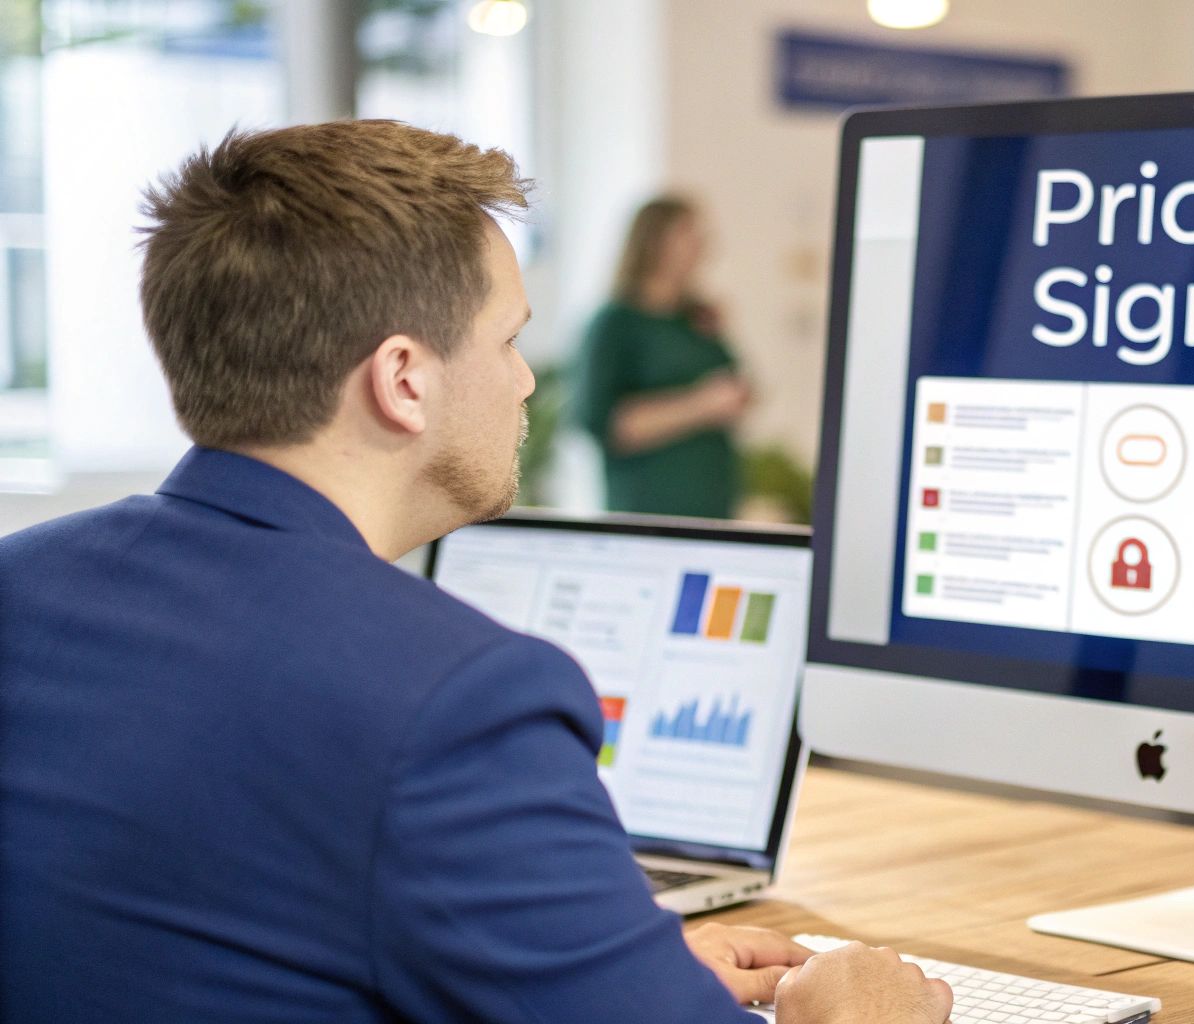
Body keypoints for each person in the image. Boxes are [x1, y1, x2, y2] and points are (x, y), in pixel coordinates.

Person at [0, 121, 949, 1024]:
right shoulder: (458, 698)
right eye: (508, 341)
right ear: (404, 379)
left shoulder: (22, 586)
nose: (527, 381)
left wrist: (612, 970)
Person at [573, 195, 751, 518]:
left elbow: (737, 388)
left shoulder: (696, 320)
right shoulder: (616, 323)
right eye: (687, 232)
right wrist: (700, 405)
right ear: (653, 241)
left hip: (713, 507)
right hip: (648, 511)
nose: (700, 243)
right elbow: (602, 422)